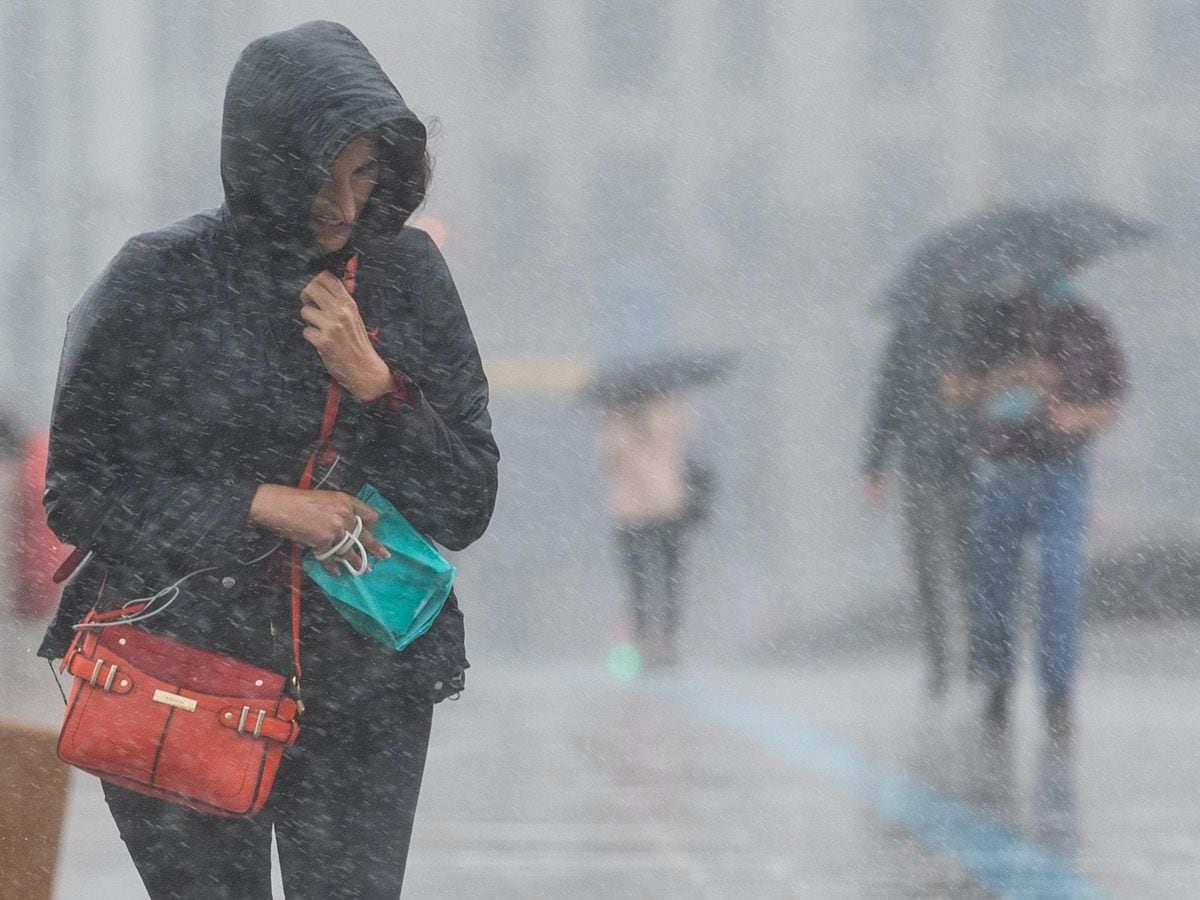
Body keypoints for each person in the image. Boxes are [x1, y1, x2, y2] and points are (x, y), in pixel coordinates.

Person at [36, 21, 498, 898]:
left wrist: (376, 385)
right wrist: (261, 504)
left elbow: (466, 500)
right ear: (259, 161)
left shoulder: (404, 276)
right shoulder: (160, 279)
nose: (341, 204)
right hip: (183, 672)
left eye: (362, 174)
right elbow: (81, 493)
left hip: (363, 682)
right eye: (316, 174)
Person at [943, 271, 1125, 737]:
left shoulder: (1089, 324)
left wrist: (1073, 414)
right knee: (994, 587)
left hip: (1065, 474)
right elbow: (956, 391)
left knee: (1060, 581)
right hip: (1003, 472)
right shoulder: (990, 318)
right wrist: (1017, 375)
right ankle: (998, 681)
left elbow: (1112, 403)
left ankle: (1057, 693)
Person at [862, 293, 972, 698]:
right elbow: (887, 401)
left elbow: (992, 391)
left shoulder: (979, 329)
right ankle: (940, 659)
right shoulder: (909, 336)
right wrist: (874, 465)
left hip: (969, 462)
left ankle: (977, 651)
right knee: (929, 569)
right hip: (921, 466)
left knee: (969, 564)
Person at [600, 389, 696, 669]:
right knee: (640, 584)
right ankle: (648, 642)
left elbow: (683, 430)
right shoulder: (616, 423)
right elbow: (611, 460)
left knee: (667, 580)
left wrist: (647, 423)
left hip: (663, 510)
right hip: (634, 512)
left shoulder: (664, 412)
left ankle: (665, 642)